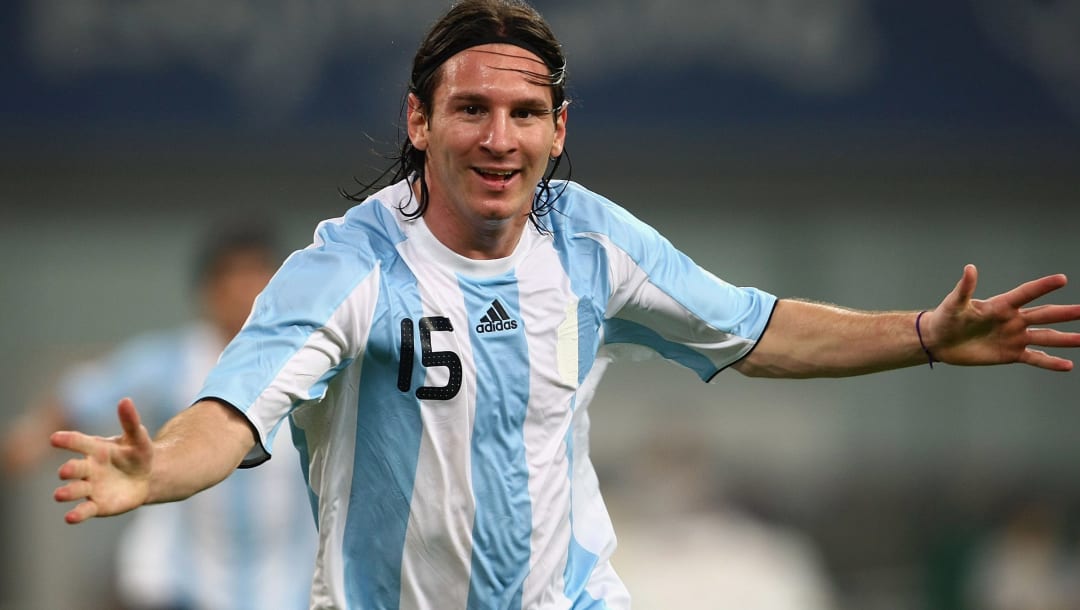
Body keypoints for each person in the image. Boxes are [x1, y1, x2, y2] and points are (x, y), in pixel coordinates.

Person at [48, 1, 1080, 609]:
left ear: (557, 126)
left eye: (525, 112)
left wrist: (920, 336)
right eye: (472, 110)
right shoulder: (349, 265)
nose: (500, 137)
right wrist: (157, 471)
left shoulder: (590, 241)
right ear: (420, 120)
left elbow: (758, 330)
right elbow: (229, 414)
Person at [8, 225, 317, 610]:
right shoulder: (167, 361)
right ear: (208, 289)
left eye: (257, 274)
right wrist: (22, 446)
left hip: (288, 590)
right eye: (231, 276)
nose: (244, 291)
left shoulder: (316, 366)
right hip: (176, 587)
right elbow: (77, 399)